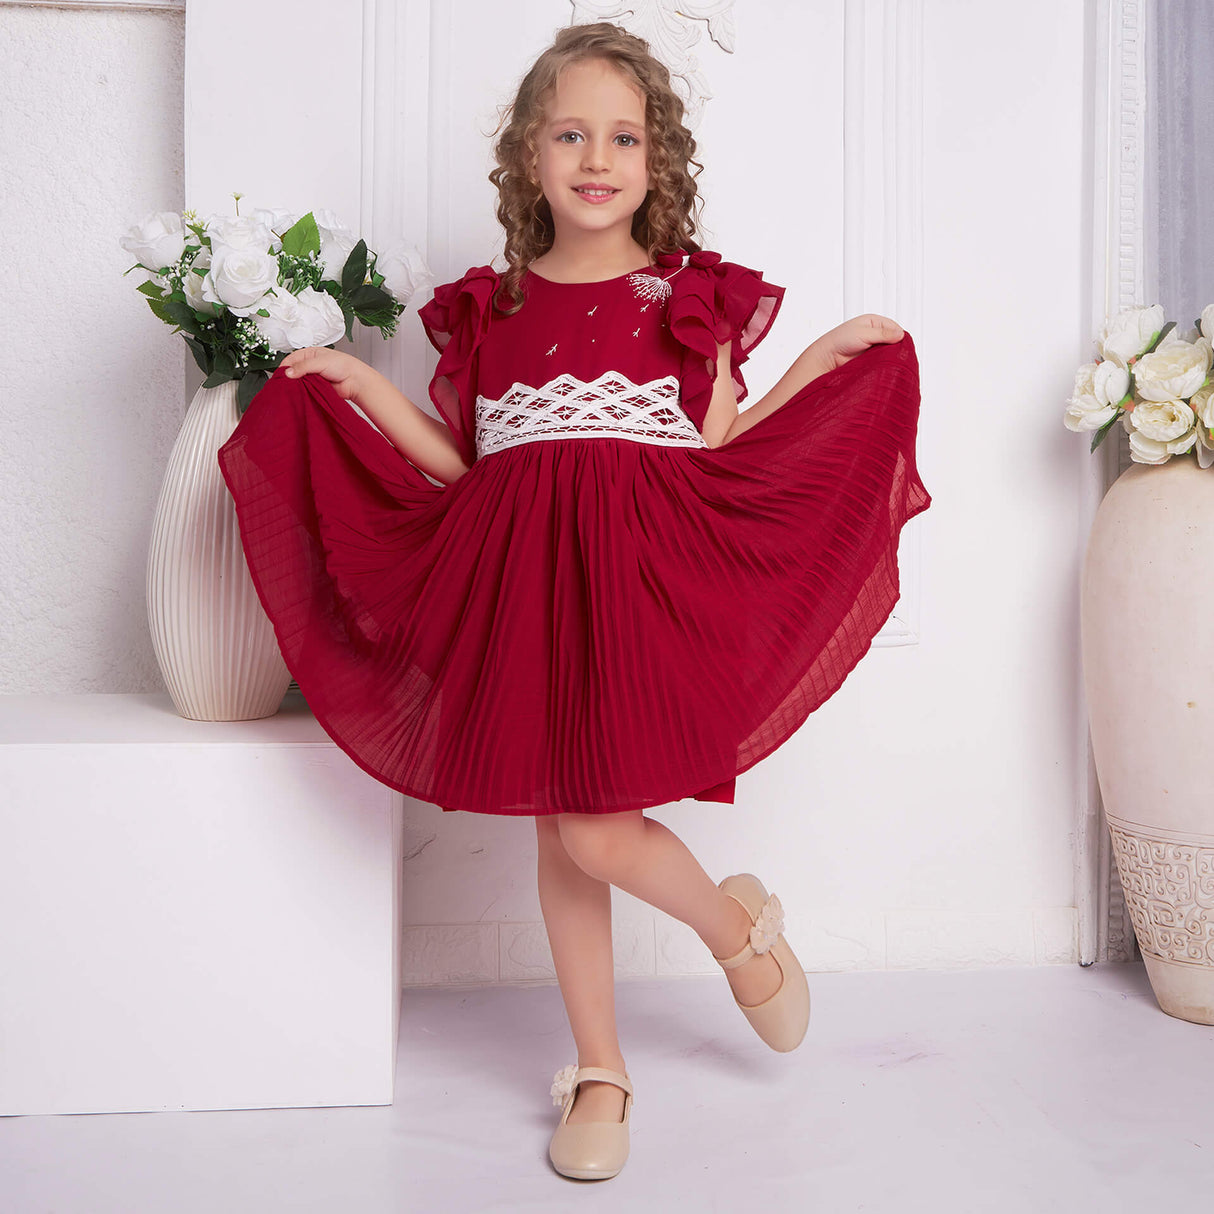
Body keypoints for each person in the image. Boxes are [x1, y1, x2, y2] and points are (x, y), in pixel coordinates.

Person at [217, 21, 930, 1184]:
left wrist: (822, 361)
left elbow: (717, 447)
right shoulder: (490, 309)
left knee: (596, 824)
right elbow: (467, 467)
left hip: (639, 579)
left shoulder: (680, 297)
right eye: (569, 133)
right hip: (525, 586)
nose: (596, 157)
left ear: (656, 161)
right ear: (528, 158)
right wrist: (355, 384)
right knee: (562, 826)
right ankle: (600, 1065)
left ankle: (732, 927)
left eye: (623, 136)